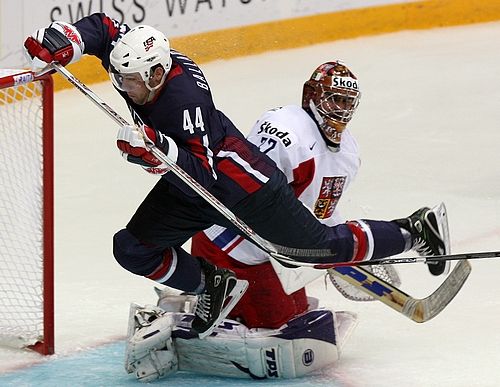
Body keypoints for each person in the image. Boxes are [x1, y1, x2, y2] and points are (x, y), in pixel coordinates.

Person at [23, 14, 449, 339]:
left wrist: (156, 149)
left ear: (156, 73)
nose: (122, 87)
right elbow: (105, 28)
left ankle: (415, 230)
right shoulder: (139, 58)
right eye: (120, 78)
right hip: (189, 186)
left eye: (131, 82)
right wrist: (68, 40)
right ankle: (213, 284)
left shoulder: (182, 102)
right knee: (133, 248)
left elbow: (204, 178)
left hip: (244, 189)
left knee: (315, 249)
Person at [189, 60, 401, 329]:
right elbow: (247, 196)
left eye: (348, 103)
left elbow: (320, 211)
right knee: (272, 327)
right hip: (228, 243)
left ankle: (202, 295)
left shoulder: (348, 154)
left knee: (296, 315)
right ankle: (202, 292)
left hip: (270, 251)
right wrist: (318, 249)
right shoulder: (284, 129)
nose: (342, 110)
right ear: (312, 96)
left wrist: (337, 245)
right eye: (335, 100)